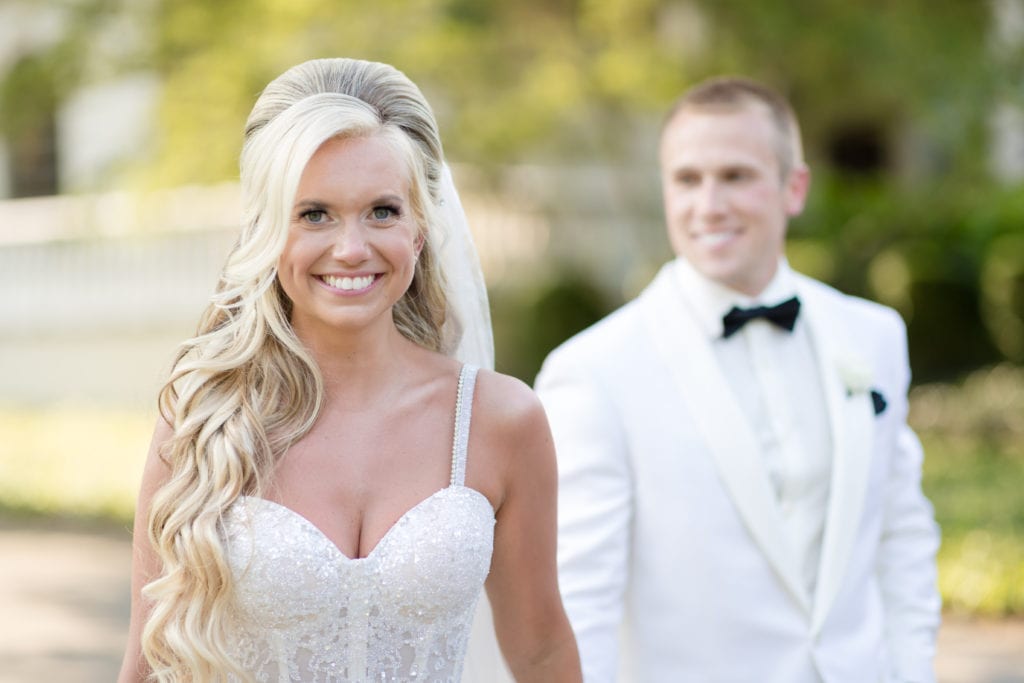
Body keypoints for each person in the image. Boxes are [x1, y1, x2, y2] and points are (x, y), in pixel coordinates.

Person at [118, 57, 580, 683]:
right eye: (314, 214)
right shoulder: (202, 420)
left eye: (383, 211)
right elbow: (148, 664)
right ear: (269, 232)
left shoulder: (502, 419)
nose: (352, 248)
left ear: (421, 229)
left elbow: (542, 651)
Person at [535, 76, 941, 682]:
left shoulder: (873, 336)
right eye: (687, 179)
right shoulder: (593, 372)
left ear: (793, 187)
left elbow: (902, 538)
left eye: (736, 176)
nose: (709, 205)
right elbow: (578, 599)